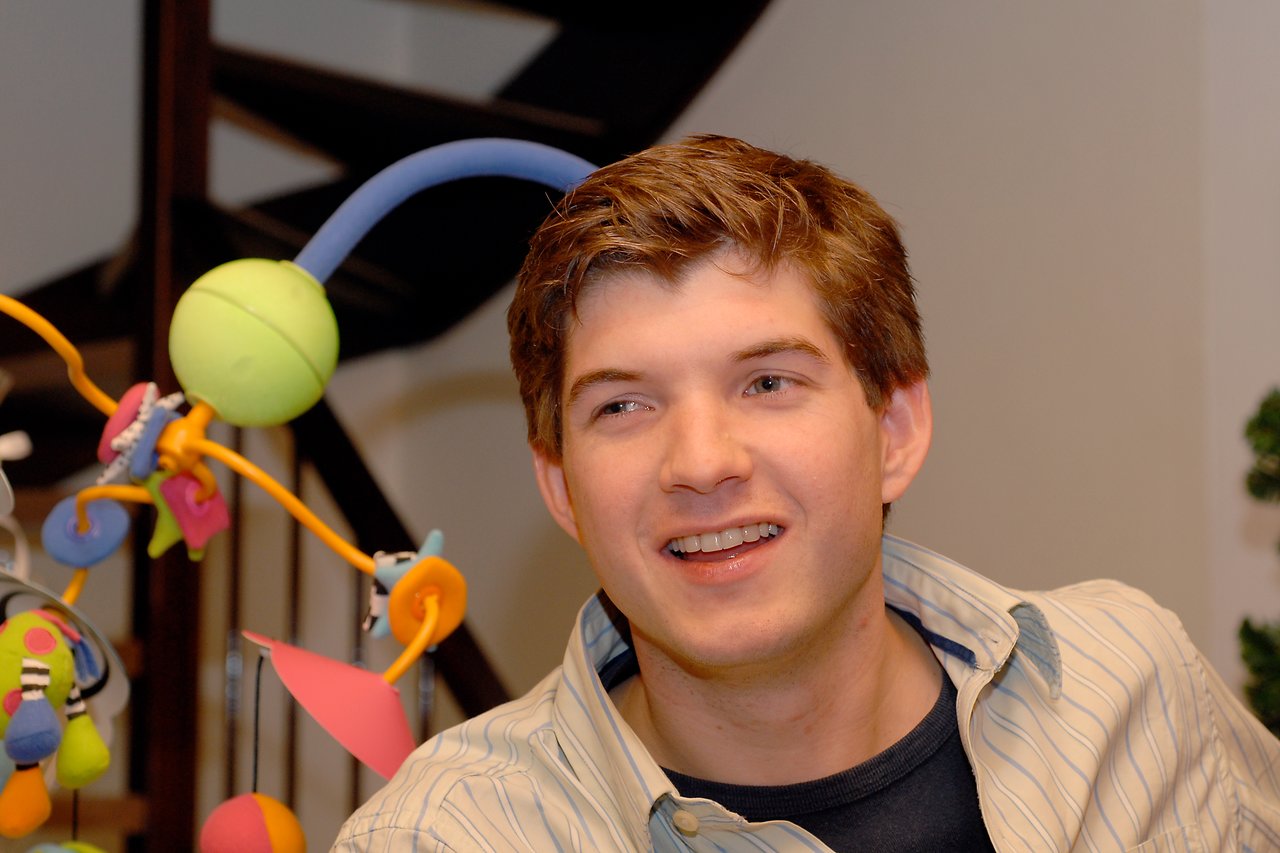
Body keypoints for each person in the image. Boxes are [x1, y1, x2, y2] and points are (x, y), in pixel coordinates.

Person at [333, 135, 1280, 851]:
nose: (701, 462)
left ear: (894, 428)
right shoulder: (443, 837)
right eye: (623, 405)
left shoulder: (1135, 688)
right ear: (561, 486)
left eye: (767, 382)